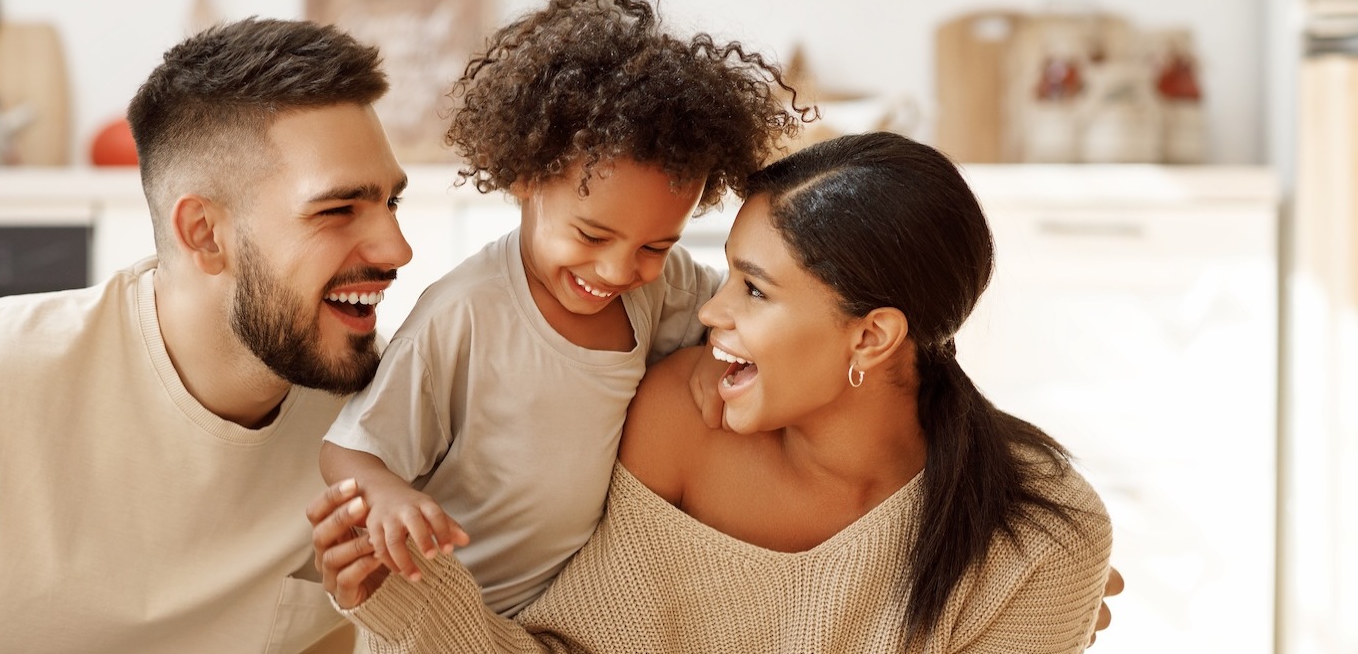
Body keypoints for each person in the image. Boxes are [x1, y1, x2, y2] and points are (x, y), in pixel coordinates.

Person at [0, 18, 412, 653]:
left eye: (390, 202)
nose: (396, 247)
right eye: (338, 209)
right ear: (205, 234)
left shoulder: (374, 426)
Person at [311, 132, 1118, 653]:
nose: (709, 311)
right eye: (725, 272)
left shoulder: (1044, 536)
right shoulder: (683, 423)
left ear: (871, 336)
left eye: (755, 291)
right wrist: (417, 603)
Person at [317, 0, 797, 617]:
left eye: (655, 245)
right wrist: (385, 495)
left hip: (570, 609)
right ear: (525, 178)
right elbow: (347, 448)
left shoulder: (661, 287)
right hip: (449, 611)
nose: (620, 269)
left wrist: (717, 355)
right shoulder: (466, 313)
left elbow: (730, 315)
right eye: (591, 234)